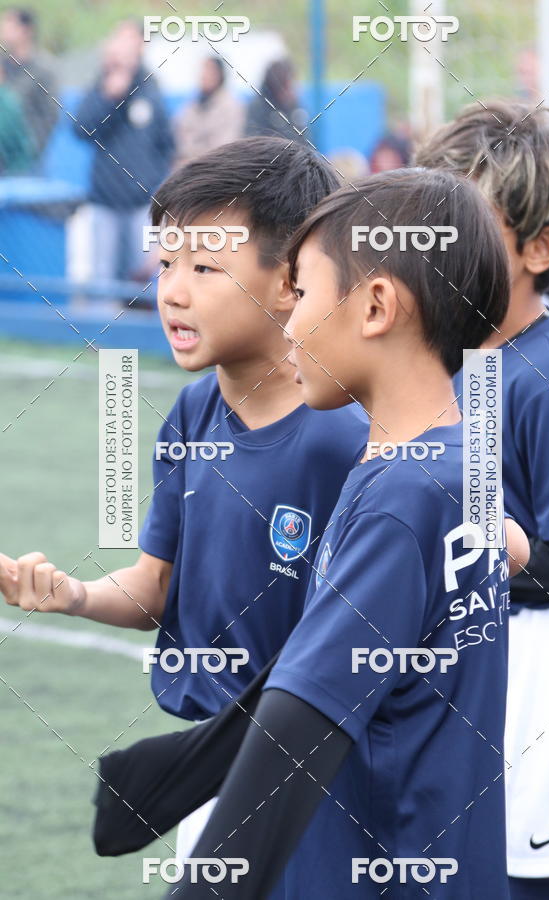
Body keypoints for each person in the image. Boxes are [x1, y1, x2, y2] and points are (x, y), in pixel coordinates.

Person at [0, 136, 368, 871]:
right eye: (167, 263)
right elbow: (156, 587)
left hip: (317, 779)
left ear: (291, 282)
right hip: (213, 764)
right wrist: (70, 593)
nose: (172, 290)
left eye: (206, 268)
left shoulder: (344, 438)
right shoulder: (191, 413)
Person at [156, 167, 518, 899]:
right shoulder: (452, 463)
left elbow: (299, 725)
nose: (289, 322)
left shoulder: (400, 498)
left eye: (307, 293)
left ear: (377, 306)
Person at [416, 101, 549, 900]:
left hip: (537, 690)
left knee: (533, 884)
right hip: (465, 676)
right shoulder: (458, 356)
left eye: (460, 222)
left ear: (540, 247)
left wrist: (454, 566)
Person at [73, 19, 174, 284]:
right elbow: (81, 129)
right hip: (104, 202)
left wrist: (151, 181)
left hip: (140, 203)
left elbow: (166, 142)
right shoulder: (102, 84)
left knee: (141, 278)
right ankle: (101, 325)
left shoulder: (151, 86)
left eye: (130, 39)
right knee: (103, 280)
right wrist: (109, 97)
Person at [0, 6, 58, 164]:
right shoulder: (3, 65)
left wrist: (31, 151)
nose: (4, 29)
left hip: (24, 156)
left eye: (10, 24)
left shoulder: (43, 70)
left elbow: (49, 117)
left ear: (27, 30)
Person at [173, 56, 244, 168]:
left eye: (209, 70)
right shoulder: (191, 104)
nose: (204, 75)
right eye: (203, 70)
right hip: (187, 171)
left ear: (220, 75)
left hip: (215, 172)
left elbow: (224, 147)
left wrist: (192, 158)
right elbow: (179, 137)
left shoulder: (230, 106)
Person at [245, 59, 308, 144]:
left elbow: (306, 142)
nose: (296, 88)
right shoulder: (258, 109)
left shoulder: (295, 107)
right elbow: (254, 143)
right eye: (290, 84)